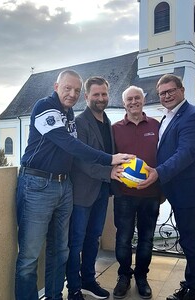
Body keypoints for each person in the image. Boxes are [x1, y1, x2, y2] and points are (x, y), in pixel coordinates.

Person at [15, 69, 133, 300]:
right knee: (29, 257)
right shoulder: (44, 106)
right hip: (37, 184)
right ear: (56, 86)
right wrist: (109, 160)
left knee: (60, 251)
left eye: (76, 90)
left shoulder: (68, 114)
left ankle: (55, 296)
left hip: (63, 185)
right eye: (67, 88)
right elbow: (69, 145)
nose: (72, 93)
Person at [137, 74, 195, 300]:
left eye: (171, 91)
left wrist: (158, 173)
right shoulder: (169, 116)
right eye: (162, 93)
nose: (166, 96)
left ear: (182, 90)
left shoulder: (193, 117)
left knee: (189, 238)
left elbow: (186, 153)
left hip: (189, 188)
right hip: (178, 186)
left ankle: (193, 290)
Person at [66, 76, 121, 300]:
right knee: (76, 241)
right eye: (96, 94)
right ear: (86, 96)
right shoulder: (80, 122)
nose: (101, 98)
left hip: (102, 190)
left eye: (104, 94)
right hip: (82, 192)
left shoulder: (107, 121)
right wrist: (108, 172)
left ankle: (88, 280)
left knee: (93, 238)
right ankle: (74, 288)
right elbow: (81, 161)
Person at [112, 86, 162, 299]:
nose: (133, 102)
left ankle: (141, 277)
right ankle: (124, 276)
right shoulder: (115, 128)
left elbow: (165, 155)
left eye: (137, 98)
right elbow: (108, 156)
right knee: (123, 239)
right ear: (124, 103)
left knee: (147, 239)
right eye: (129, 99)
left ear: (143, 100)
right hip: (124, 195)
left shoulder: (156, 125)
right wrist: (111, 170)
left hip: (150, 194)